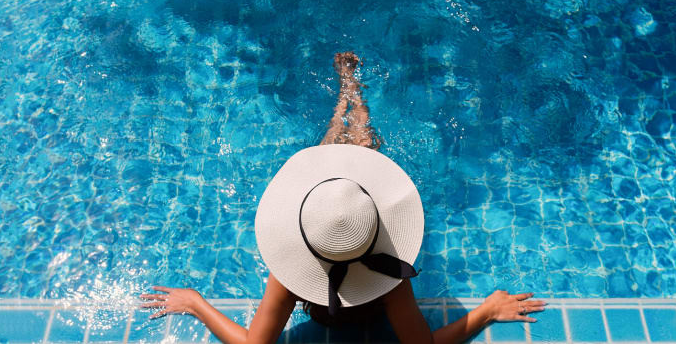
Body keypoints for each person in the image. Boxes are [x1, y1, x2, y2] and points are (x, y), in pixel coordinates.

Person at [140, 52, 545, 343]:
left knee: (328, 183)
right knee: (353, 174)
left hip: (330, 262)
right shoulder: (389, 271)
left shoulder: (289, 272)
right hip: (365, 255)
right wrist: (486, 312)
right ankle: (354, 94)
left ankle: (344, 100)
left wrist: (196, 303)